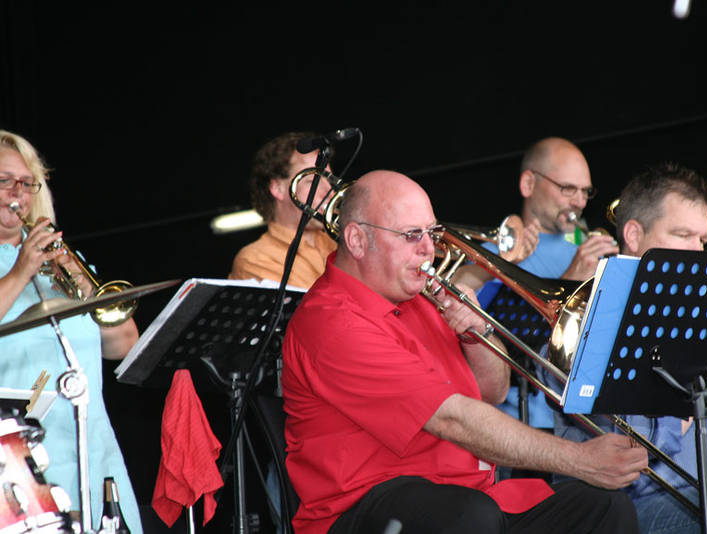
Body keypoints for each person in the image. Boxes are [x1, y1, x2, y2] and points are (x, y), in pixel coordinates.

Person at [281, 170, 649, 534]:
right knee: (468, 515)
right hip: (365, 507)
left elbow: (494, 392)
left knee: (605, 508)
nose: (429, 249)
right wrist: (580, 459)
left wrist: (479, 333)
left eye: (431, 233)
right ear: (357, 240)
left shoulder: (423, 297)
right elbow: (452, 419)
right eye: (411, 235)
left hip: (470, 497)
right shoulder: (331, 320)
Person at [549, 162, 707, 534]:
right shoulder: (583, 329)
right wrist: (682, 404)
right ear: (634, 234)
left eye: (703, 239)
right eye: (683, 234)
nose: (698, 250)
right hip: (656, 504)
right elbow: (623, 464)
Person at [0, 130, 143, 532]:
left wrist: (81, 281)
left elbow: (124, 344)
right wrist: (21, 270)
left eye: (27, 183)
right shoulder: (24, 264)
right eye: (4, 180)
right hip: (19, 465)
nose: (18, 193)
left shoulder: (58, 265)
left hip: (92, 450)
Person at [455, 137, 619, 432]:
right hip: (523, 422)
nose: (580, 202)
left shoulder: (589, 247)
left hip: (587, 420)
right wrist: (571, 280)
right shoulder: (499, 253)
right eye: (567, 188)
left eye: (585, 191)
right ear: (529, 184)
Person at [229, 131, 337, 288]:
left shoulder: (337, 242)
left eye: (329, 180)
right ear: (277, 188)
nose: (330, 192)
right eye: (313, 181)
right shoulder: (255, 259)